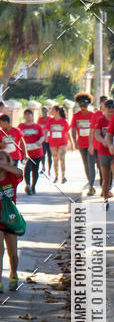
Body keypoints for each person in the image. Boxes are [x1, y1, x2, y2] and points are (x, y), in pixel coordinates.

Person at [0, 150, 23, 291]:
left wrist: (5, 165)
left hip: (11, 220)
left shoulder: (12, 177)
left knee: (13, 253)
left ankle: (13, 273)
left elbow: (20, 172)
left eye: (2, 159)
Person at [70, 92, 96, 195]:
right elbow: (73, 129)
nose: (82, 107)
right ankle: (90, 183)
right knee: (86, 164)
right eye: (80, 105)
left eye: (84, 104)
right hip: (81, 144)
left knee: (91, 164)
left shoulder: (92, 115)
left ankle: (92, 185)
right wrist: (74, 140)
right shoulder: (76, 116)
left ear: (88, 104)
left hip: (91, 144)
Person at [94, 98, 114, 208]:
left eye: (113, 107)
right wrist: (103, 141)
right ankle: (105, 199)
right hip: (103, 152)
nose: (111, 109)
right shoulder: (101, 120)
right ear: (105, 108)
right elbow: (96, 134)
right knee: (106, 178)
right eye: (109, 107)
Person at [19, 108, 45, 194]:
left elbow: (42, 136)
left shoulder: (37, 126)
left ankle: (33, 186)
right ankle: (28, 185)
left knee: (35, 170)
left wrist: (39, 141)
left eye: (29, 114)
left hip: (37, 152)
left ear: (32, 116)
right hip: (26, 153)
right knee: (27, 168)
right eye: (26, 115)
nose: (28, 116)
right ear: (24, 116)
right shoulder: (21, 127)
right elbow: (17, 136)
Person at [47, 106, 72, 183]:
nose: (51, 112)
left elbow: (67, 133)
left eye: (53, 110)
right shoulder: (50, 121)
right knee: (55, 160)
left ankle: (63, 176)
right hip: (53, 143)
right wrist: (46, 137)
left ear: (57, 111)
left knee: (62, 159)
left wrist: (71, 143)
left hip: (62, 143)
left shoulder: (64, 121)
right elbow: (47, 130)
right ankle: (56, 176)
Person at [38, 106, 52, 176]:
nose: (44, 113)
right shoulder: (40, 119)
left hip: (50, 140)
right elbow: (38, 129)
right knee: (42, 154)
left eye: (45, 111)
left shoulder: (50, 119)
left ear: (47, 112)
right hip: (43, 139)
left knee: (50, 155)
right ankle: (43, 167)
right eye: (43, 112)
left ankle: (49, 169)